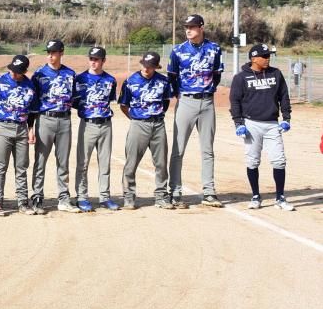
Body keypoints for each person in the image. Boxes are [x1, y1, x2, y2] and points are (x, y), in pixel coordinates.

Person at [167, 14, 224, 208]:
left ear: (201, 27)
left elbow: (217, 74)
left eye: (192, 26)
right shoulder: (178, 50)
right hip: (186, 101)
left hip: (207, 103)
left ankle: (208, 192)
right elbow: (172, 77)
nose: (188, 30)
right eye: (186, 27)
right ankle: (174, 192)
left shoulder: (214, 49)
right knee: (178, 149)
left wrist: (207, 90)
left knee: (208, 149)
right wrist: (181, 96)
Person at [229, 44, 294, 211]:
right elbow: (235, 101)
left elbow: (284, 97)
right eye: (264, 56)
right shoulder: (241, 77)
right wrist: (238, 123)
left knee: (279, 160)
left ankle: (280, 197)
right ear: (253, 58)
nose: (267, 59)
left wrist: (286, 118)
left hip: (272, 124)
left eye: (268, 56)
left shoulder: (276, 73)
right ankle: (256, 196)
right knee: (252, 161)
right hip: (251, 124)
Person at [119, 51, 173, 210]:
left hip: (158, 125)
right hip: (138, 124)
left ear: (156, 67)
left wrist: (155, 115)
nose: (146, 69)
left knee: (161, 163)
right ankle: (129, 196)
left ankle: (161, 196)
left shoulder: (163, 81)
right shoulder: (130, 81)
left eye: (150, 66)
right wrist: (136, 119)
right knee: (131, 162)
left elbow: (165, 102)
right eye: (144, 65)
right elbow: (123, 105)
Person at [30, 39, 78, 214]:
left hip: (64, 120)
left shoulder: (70, 74)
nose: (50, 56)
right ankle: (37, 197)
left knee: (63, 162)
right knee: (40, 161)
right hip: (45, 119)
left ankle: (64, 198)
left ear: (61, 53)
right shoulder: (39, 74)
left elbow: (74, 98)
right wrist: (30, 126)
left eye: (54, 52)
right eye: (48, 52)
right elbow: (33, 101)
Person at [0, 55, 39, 216]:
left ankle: (23, 202)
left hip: (22, 128)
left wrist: (31, 129)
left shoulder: (30, 85)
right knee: (1, 166)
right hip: (3, 127)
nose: (14, 73)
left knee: (21, 167)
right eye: (12, 70)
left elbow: (32, 111)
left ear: (24, 71)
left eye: (18, 71)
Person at [72, 46, 120, 212]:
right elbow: (74, 102)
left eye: (97, 59)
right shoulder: (80, 79)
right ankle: (82, 197)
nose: (93, 62)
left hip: (106, 124)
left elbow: (110, 99)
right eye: (91, 59)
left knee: (105, 163)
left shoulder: (110, 80)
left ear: (103, 61)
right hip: (88, 124)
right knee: (83, 163)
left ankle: (104, 197)